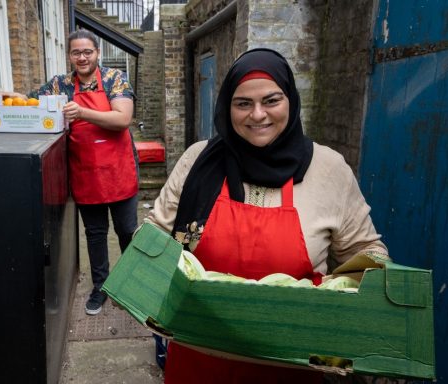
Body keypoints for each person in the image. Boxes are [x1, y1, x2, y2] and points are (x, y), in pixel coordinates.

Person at [145, 48, 390, 383]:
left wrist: (358, 305)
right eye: (243, 103)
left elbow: (367, 254)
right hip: (199, 357)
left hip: (291, 364)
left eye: (272, 100)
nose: (257, 115)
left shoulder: (328, 169)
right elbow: (155, 236)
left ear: (290, 99)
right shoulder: (197, 161)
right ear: (227, 106)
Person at [0, 29, 138, 316]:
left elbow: (122, 118)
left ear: (97, 53)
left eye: (87, 52)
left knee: (127, 231)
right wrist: (5, 95)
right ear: (69, 56)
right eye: (76, 53)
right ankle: (101, 287)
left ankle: (131, 287)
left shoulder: (114, 79)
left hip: (118, 170)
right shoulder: (60, 84)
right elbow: (31, 101)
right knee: (94, 234)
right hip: (85, 172)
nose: (82, 57)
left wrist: (81, 112)